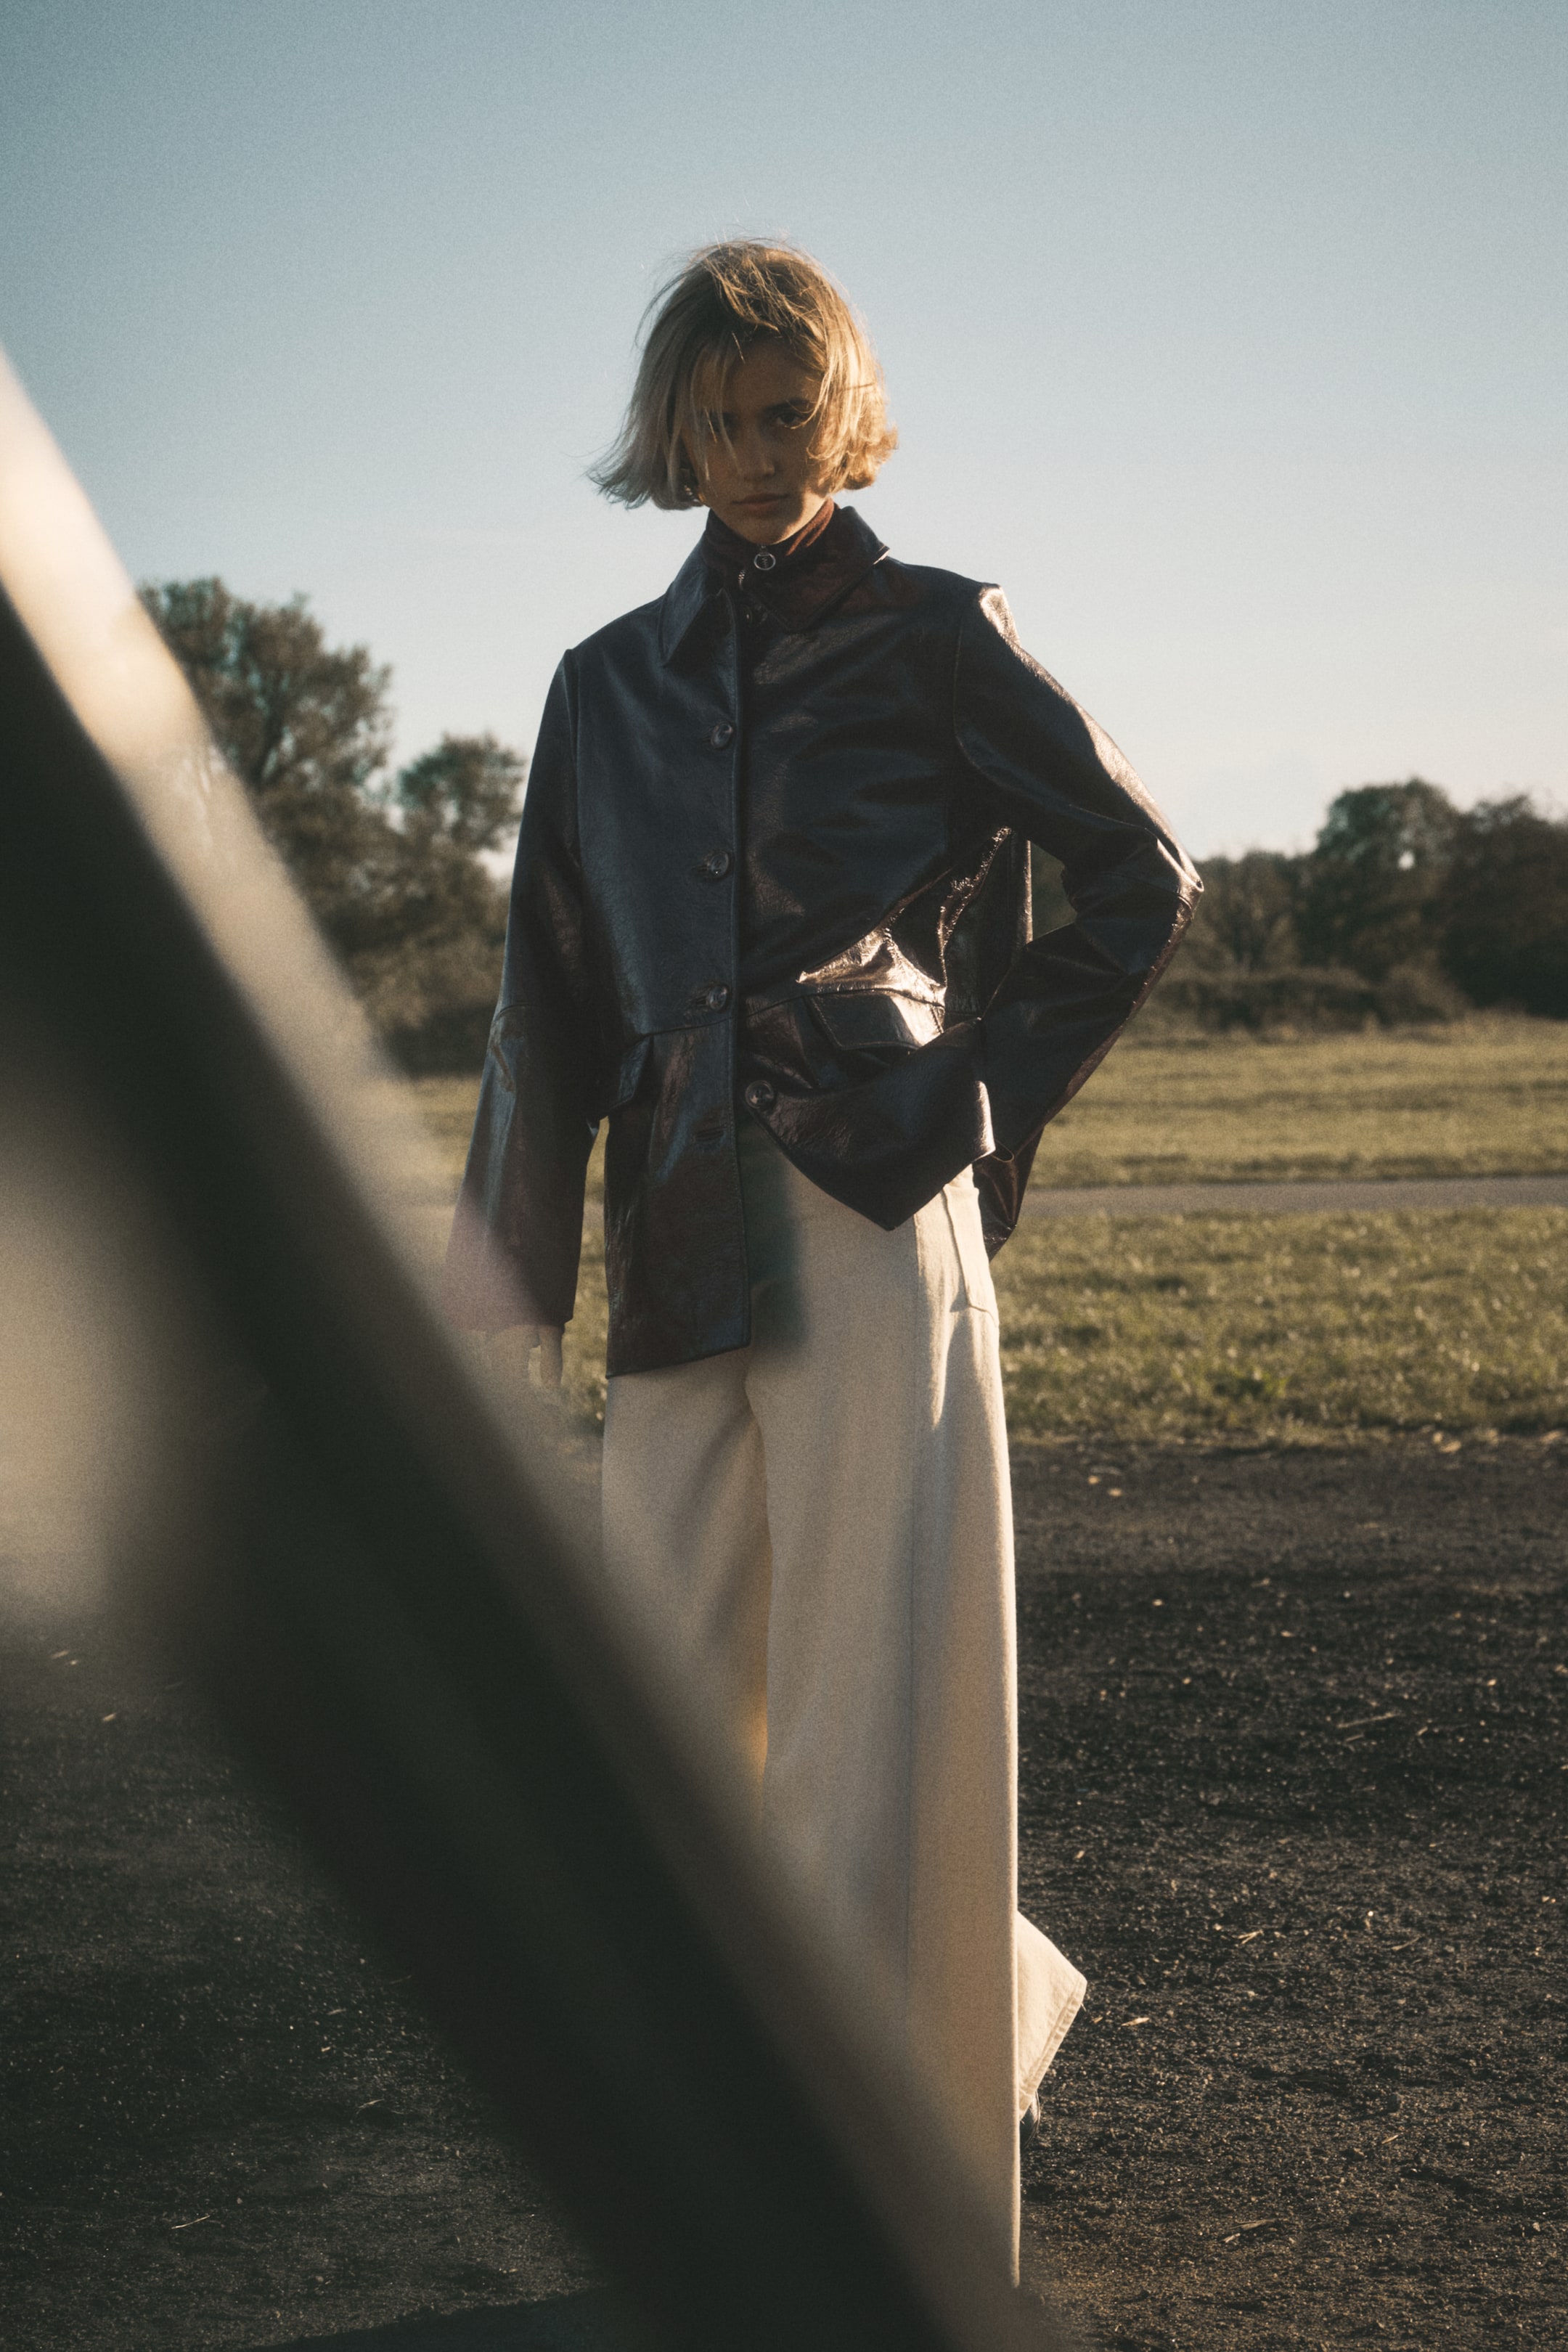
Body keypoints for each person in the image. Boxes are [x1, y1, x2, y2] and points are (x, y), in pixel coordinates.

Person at [443, 240, 1198, 2271]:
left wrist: (965, 1091)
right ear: (673, 440)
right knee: (672, 1696)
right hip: (672, 1222)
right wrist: (505, 1287)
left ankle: (896, 2185)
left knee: (879, 1700)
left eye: (790, 412)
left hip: (881, 1208)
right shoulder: (602, 687)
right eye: (722, 421)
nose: (762, 453)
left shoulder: (942, 634)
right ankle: (821, 2083)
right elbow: (546, 1002)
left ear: (841, 413)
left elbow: (1139, 876)